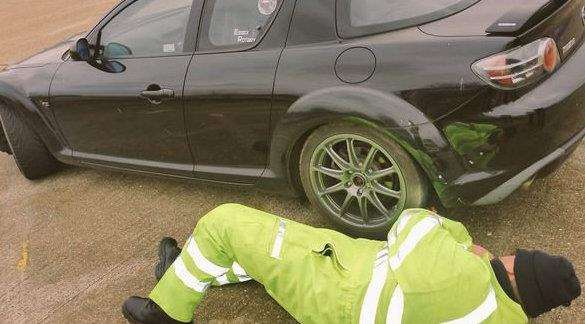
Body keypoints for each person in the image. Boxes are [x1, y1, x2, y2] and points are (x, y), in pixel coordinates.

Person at [122, 204, 581, 323]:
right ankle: (193, 270)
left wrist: (460, 237)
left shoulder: (465, 276)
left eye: (513, 256)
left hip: (333, 286)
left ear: (516, 270)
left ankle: (168, 307)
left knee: (225, 223)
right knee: (267, 257)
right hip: (354, 272)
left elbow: (411, 223)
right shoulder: (504, 317)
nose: (501, 253)